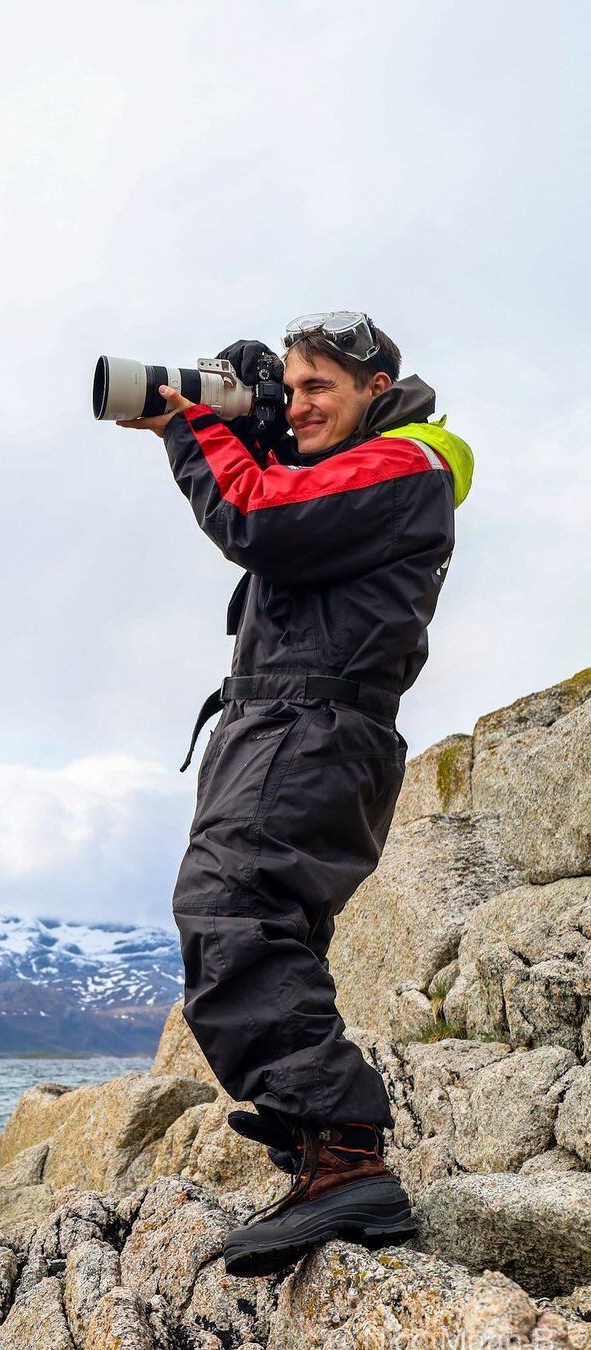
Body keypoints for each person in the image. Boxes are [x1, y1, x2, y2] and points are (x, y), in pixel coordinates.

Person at [116, 312, 473, 1277]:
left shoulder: (410, 463)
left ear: (376, 387)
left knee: (233, 913)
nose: (303, 402)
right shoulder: (352, 469)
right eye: (294, 384)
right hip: (288, 730)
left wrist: (194, 423)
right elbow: (286, 497)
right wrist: (256, 413)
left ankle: (345, 1154)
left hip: (311, 732)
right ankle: (323, 1152)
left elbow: (262, 519)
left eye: (322, 387)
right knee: (261, 927)